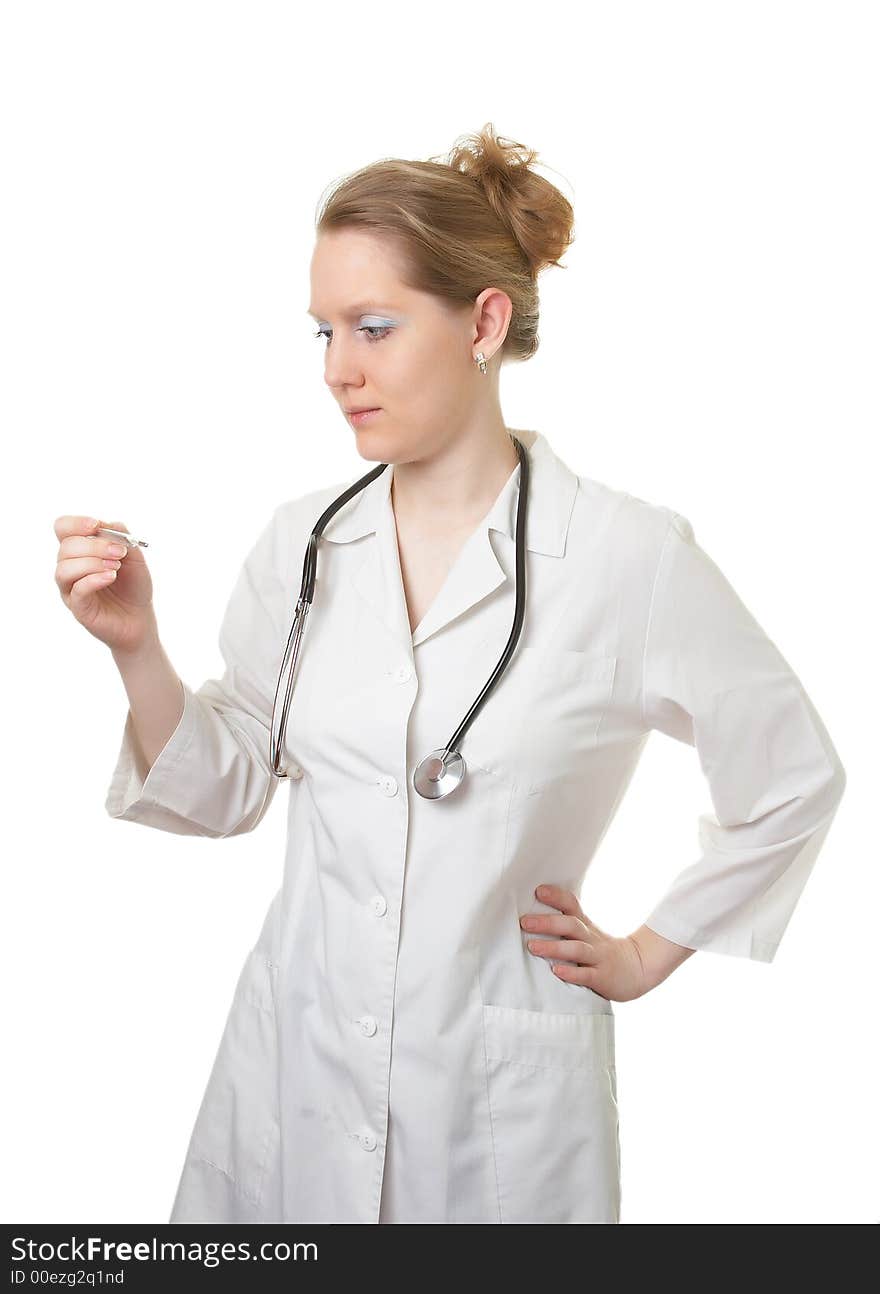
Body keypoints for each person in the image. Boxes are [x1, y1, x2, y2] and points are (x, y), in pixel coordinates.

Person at [53, 123, 846, 1225]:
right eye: (324, 330)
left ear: (483, 322)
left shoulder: (625, 556)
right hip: (295, 1072)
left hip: (500, 1117)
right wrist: (136, 644)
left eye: (374, 327)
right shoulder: (305, 541)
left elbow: (793, 777)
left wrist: (648, 951)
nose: (339, 368)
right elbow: (228, 788)